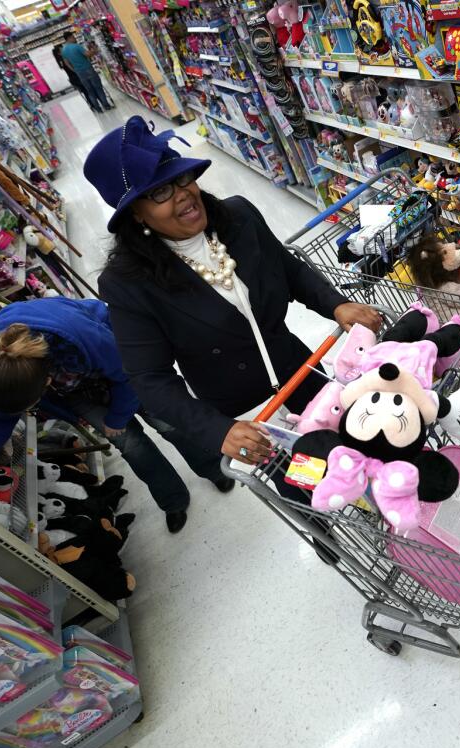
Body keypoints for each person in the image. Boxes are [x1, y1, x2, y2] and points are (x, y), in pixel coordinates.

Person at [82, 116, 381, 503]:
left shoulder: (238, 216)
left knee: (352, 449)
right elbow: (150, 378)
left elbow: (287, 268)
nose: (184, 194)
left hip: (300, 372)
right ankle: (326, 534)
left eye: (182, 178)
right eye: (160, 193)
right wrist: (217, 430)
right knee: (307, 485)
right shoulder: (128, 284)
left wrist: (335, 303)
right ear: (135, 214)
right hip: (247, 414)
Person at [0, 297, 232, 534]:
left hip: (120, 364)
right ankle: (173, 501)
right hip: (76, 390)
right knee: (131, 445)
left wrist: (117, 417)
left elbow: (128, 373)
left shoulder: (76, 334)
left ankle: (213, 468)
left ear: (47, 381)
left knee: (167, 422)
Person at [60, 32, 112, 112]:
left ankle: (98, 109)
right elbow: (87, 54)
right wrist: (94, 51)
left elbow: (66, 63)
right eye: (73, 36)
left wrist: (75, 70)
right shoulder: (76, 46)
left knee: (90, 91)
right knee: (98, 87)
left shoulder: (63, 50)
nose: (75, 38)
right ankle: (106, 105)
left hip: (79, 72)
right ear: (69, 37)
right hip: (88, 69)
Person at [54, 43, 98, 112]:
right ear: (59, 53)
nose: (64, 49)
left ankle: (93, 105)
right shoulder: (66, 58)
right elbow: (72, 67)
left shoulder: (60, 60)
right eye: (62, 49)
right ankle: (95, 104)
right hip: (77, 77)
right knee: (88, 90)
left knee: (86, 91)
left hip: (73, 79)